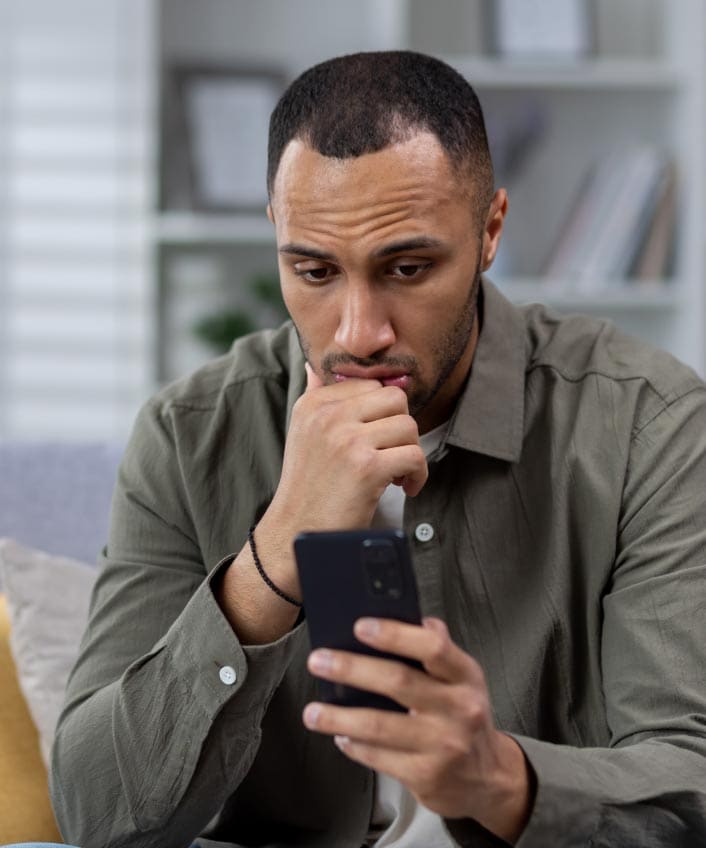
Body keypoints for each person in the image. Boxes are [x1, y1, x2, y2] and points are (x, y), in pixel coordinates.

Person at [50, 50, 706, 847]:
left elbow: (689, 781)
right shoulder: (188, 433)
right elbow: (93, 818)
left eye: (407, 266)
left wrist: (498, 779)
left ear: (491, 229)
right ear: (277, 236)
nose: (359, 333)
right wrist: (275, 555)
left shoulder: (651, 426)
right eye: (315, 269)